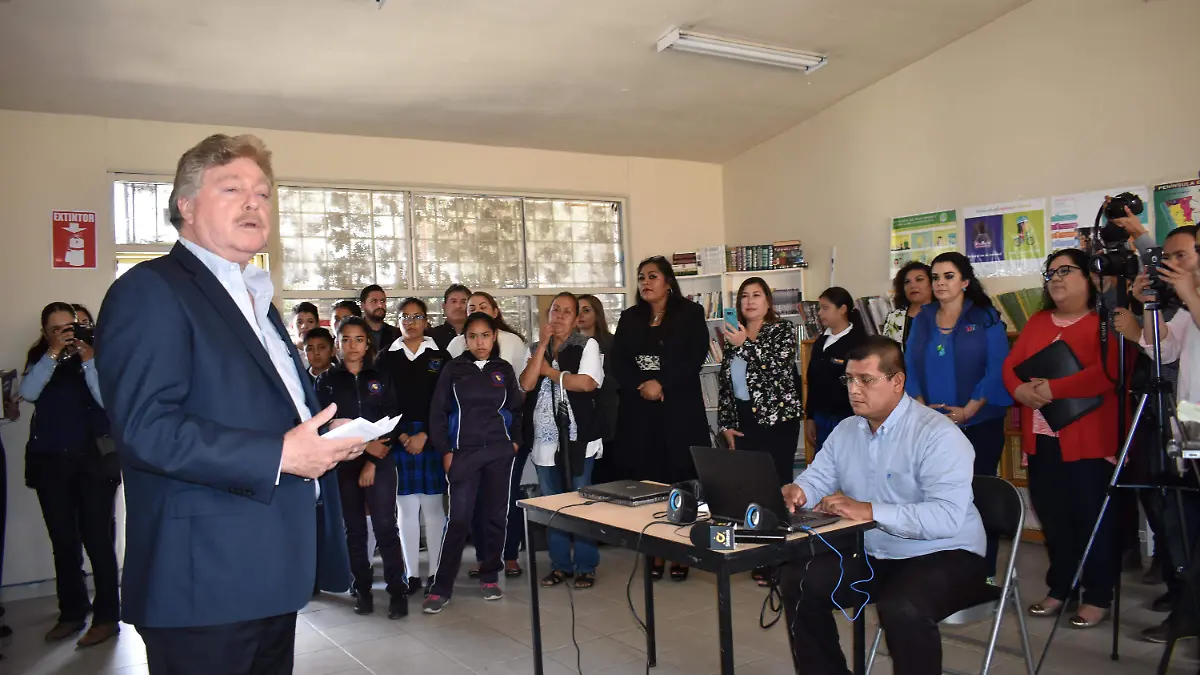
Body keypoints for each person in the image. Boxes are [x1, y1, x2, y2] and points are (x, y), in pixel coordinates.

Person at [96, 134, 360, 674]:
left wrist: (324, 439)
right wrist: (280, 456)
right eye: (232, 188)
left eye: (263, 194)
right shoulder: (152, 290)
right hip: (203, 579)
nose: (253, 203)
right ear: (185, 206)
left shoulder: (255, 298)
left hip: (271, 567)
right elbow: (146, 429)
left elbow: (266, 414)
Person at [780, 336, 990, 675]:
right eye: (849, 379)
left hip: (947, 553)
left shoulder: (937, 434)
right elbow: (819, 476)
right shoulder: (847, 430)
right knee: (798, 580)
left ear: (897, 382)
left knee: (901, 607)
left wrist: (871, 510)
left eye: (866, 379)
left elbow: (946, 518)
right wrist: (799, 491)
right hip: (877, 553)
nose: (854, 389)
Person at [1003, 248, 1120, 629]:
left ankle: (1098, 595)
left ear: (1089, 278)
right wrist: (1020, 392)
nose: (1055, 278)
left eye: (1066, 270)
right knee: (1053, 519)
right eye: (1050, 272)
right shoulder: (1037, 321)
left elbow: (1109, 372)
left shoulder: (1106, 322)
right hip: (1042, 440)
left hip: (1088, 441)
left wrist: (1053, 388)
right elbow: (1011, 366)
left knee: (1091, 520)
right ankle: (1061, 588)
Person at [904, 251, 1012, 579]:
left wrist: (969, 409)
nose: (939, 283)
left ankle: (983, 571)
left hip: (979, 421)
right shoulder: (923, 318)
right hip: (932, 424)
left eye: (948, 276)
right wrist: (922, 407)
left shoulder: (985, 317)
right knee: (934, 495)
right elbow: (910, 365)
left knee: (977, 495)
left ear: (965, 281)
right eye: (935, 277)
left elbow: (997, 366)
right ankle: (942, 569)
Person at [21, 302, 121, 647]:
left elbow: (108, 400)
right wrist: (51, 354)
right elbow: (29, 393)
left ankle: (107, 616)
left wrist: (89, 359)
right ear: (45, 332)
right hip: (50, 463)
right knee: (63, 542)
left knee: (98, 541)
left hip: (94, 463)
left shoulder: (99, 353)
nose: (66, 333)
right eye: (57, 329)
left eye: (72, 326)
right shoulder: (40, 355)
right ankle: (72, 612)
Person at [609, 256, 710, 581]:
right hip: (641, 413)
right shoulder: (630, 317)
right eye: (641, 277)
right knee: (647, 480)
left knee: (680, 480)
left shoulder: (690, 314)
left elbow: (693, 357)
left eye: (652, 276)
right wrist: (642, 385)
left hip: (678, 409)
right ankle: (653, 549)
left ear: (668, 281)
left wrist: (661, 382)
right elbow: (618, 361)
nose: (646, 282)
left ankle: (681, 550)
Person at [424, 312, 523, 614]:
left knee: (495, 516)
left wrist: (514, 443)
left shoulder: (502, 369)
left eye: (485, 335)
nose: (480, 342)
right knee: (459, 520)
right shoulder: (454, 369)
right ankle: (441, 587)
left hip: (498, 452)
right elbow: (437, 413)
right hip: (463, 454)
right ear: (464, 339)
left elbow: (517, 409)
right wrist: (445, 450)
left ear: (495, 337)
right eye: (473, 336)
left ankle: (490, 574)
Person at [1131, 226, 1200, 643]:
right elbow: (1162, 349)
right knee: (1188, 516)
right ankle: (1189, 612)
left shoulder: (1193, 299)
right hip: (1192, 414)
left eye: (1180, 256)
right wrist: (1149, 306)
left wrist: (1188, 291)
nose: (1171, 265)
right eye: (1166, 258)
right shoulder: (1184, 305)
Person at [315, 317, 408, 619]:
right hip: (343, 463)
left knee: (384, 526)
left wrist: (372, 458)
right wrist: (361, 448)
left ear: (367, 343)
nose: (352, 346)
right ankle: (363, 590)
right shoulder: (327, 380)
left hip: (380, 460)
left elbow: (394, 418)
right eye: (345, 340)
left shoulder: (381, 375)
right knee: (354, 529)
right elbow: (323, 426)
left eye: (358, 339)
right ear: (337, 344)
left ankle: (397, 592)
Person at [717, 277, 803, 586]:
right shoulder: (732, 336)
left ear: (768, 302)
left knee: (776, 488)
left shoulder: (781, 331)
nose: (749, 301)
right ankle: (759, 553)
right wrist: (725, 424)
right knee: (751, 488)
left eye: (756, 295)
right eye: (744, 297)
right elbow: (726, 384)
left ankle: (780, 559)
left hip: (777, 420)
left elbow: (775, 370)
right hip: (744, 420)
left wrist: (746, 346)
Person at [521, 293, 604, 590]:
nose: (559, 316)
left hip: (578, 435)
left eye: (567, 312)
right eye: (555, 310)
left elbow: (586, 383)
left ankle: (585, 566)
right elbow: (526, 384)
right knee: (551, 504)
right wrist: (542, 347)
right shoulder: (534, 348)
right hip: (544, 440)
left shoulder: (587, 345)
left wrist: (551, 372)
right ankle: (559, 565)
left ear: (575, 318)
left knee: (581, 502)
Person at [447, 291, 531, 579]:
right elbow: (447, 403)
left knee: (504, 503)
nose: (479, 341)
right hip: (469, 443)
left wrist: (515, 440)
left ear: (495, 314)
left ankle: (509, 556)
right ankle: (485, 559)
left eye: (483, 307)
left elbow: (518, 395)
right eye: (471, 308)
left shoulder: (512, 346)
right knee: (476, 503)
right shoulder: (456, 349)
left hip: (502, 440)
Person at [377, 298, 449, 596]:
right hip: (399, 438)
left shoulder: (440, 356)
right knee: (405, 507)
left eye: (416, 316)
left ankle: (436, 572)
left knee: (433, 507)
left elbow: (444, 403)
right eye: (404, 317)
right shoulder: (385, 357)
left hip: (431, 437)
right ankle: (411, 573)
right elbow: (381, 402)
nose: (410, 322)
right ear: (398, 321)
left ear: (426, 320)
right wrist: (403, 435)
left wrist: (428, 436)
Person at [804, 287, 866, 455]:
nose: (819, 313)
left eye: (825, 308)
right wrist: (810, 417)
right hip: (821, 417)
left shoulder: (859, 341)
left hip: (848, 417)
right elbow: (812, 380)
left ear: (842, 309)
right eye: (819, 308)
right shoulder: (820, 341)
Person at [577, 294, 618, 483]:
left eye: (586, 310)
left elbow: (619, 377)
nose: (580, 315)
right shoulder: (569, 344)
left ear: (597, 313)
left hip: (607, 412)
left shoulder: (610, 342)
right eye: (576, 310)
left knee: (606, 473)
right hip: (579, 415)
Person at [880, 262, 932, 348]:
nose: (912, 285)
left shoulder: (943, 314)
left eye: (919, 279)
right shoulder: (894, 318)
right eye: (907, 282)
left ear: (932, 284)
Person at [426, 284, 471, 351]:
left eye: (463, 302)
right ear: (444, 306)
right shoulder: (430, 336)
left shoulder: (478, 336)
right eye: (453, 301)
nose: (458, 306)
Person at [360, 285, 399, 353]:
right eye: (374, 301)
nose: (380, 305)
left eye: (383, 301)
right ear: (363, 306)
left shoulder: (396, 334)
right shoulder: (356, 332)